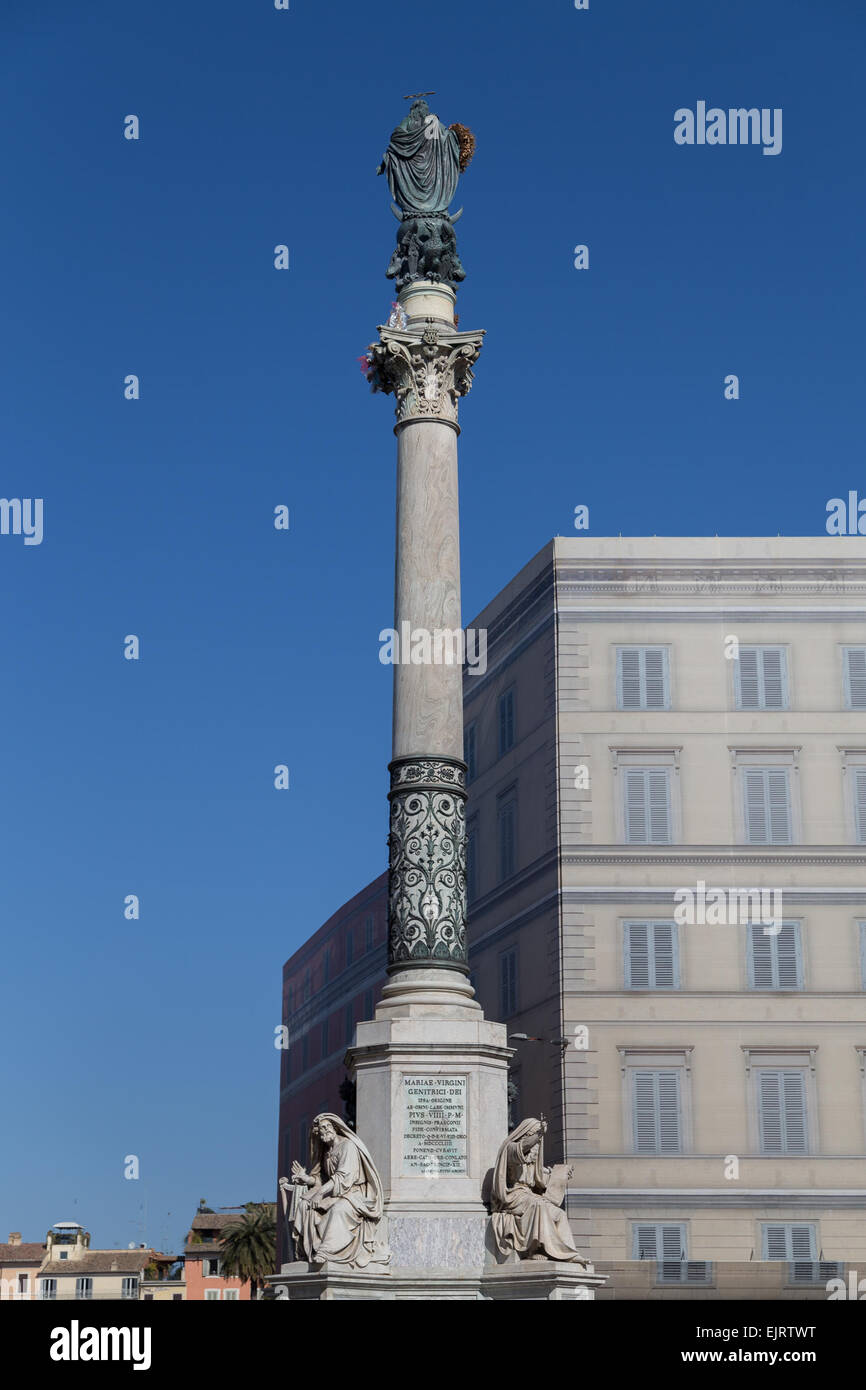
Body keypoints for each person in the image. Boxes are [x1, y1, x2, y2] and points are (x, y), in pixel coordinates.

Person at [290, 1114, 389, 1268]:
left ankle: (326, 1250)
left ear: (335, 1127)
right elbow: (322, 1178)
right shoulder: (327, 1151)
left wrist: (320, 1193)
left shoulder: (347, 1146)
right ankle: (305, 1251)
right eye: (319, 1130)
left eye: (326, 1127)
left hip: (355, 1194)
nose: (323, 1132)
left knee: (339, 1210)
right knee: (304, 1205)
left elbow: (343, 1177)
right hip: (335, 1192)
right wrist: (307, 1179)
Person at [490, 1117, 588, 1263]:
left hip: (528, 1194)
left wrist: (560, 1176)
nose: (537, 1150)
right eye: (535, 1137)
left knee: (559, 1213)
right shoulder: (510, 1149)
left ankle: (569, 1254)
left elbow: (540, 1181)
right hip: (514, 1195)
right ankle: (537, 1249)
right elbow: (522, 1148)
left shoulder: (532, 1158)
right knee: (539, 1206)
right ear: (526, 1133)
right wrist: (539, 1134)